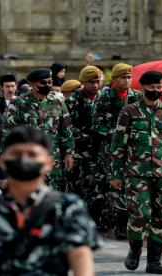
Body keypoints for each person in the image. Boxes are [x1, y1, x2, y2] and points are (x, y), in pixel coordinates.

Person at [0, 126, 100, 275]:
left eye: (32, 154)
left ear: (49, 163)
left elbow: (81, 262)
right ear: (3, 160)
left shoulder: (68, 208)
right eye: (16, 153)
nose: (23, 159)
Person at [110, 70, 162, 274]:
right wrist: (116, 175)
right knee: (140, 214)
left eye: (159, 87)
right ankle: (135, 250)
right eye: (152, 87)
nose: (156, 90)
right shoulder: (129, 111)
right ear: (142, 88)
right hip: (136, 173)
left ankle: (154, 260)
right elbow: (118, 143)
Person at [91, 63, 142, 238]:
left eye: (129, 77)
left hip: (134, 149)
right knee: (117, 184)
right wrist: (116, 134)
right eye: (123, 77)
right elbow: (97, 124)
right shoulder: (104, 97)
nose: (127, 80)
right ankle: (119, 225)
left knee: (133, 185)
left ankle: (130, 223)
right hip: (111, 149)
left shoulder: (137, 97)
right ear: (114, 79)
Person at [3, 68, 75, 191]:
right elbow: (9, 132)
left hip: (53, 158)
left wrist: (69, 154)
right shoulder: (18, 103)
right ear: (32, 84)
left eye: (50, 82)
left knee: (55, 192)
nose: (47, 85)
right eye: (43, 83)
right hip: (28, 158)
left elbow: (66, 129)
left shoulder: (57, 102)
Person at [65, 66, 102, 223]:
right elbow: (67, 125)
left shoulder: (103, 98)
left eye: (97, 81)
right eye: (91, 82)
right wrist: (85, 137)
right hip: (79, 152)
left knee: (98, 185)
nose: (95, 85)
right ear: (83, 83)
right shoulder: (73, 101)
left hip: (99, 151)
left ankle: (96, 218)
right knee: (79, 186)